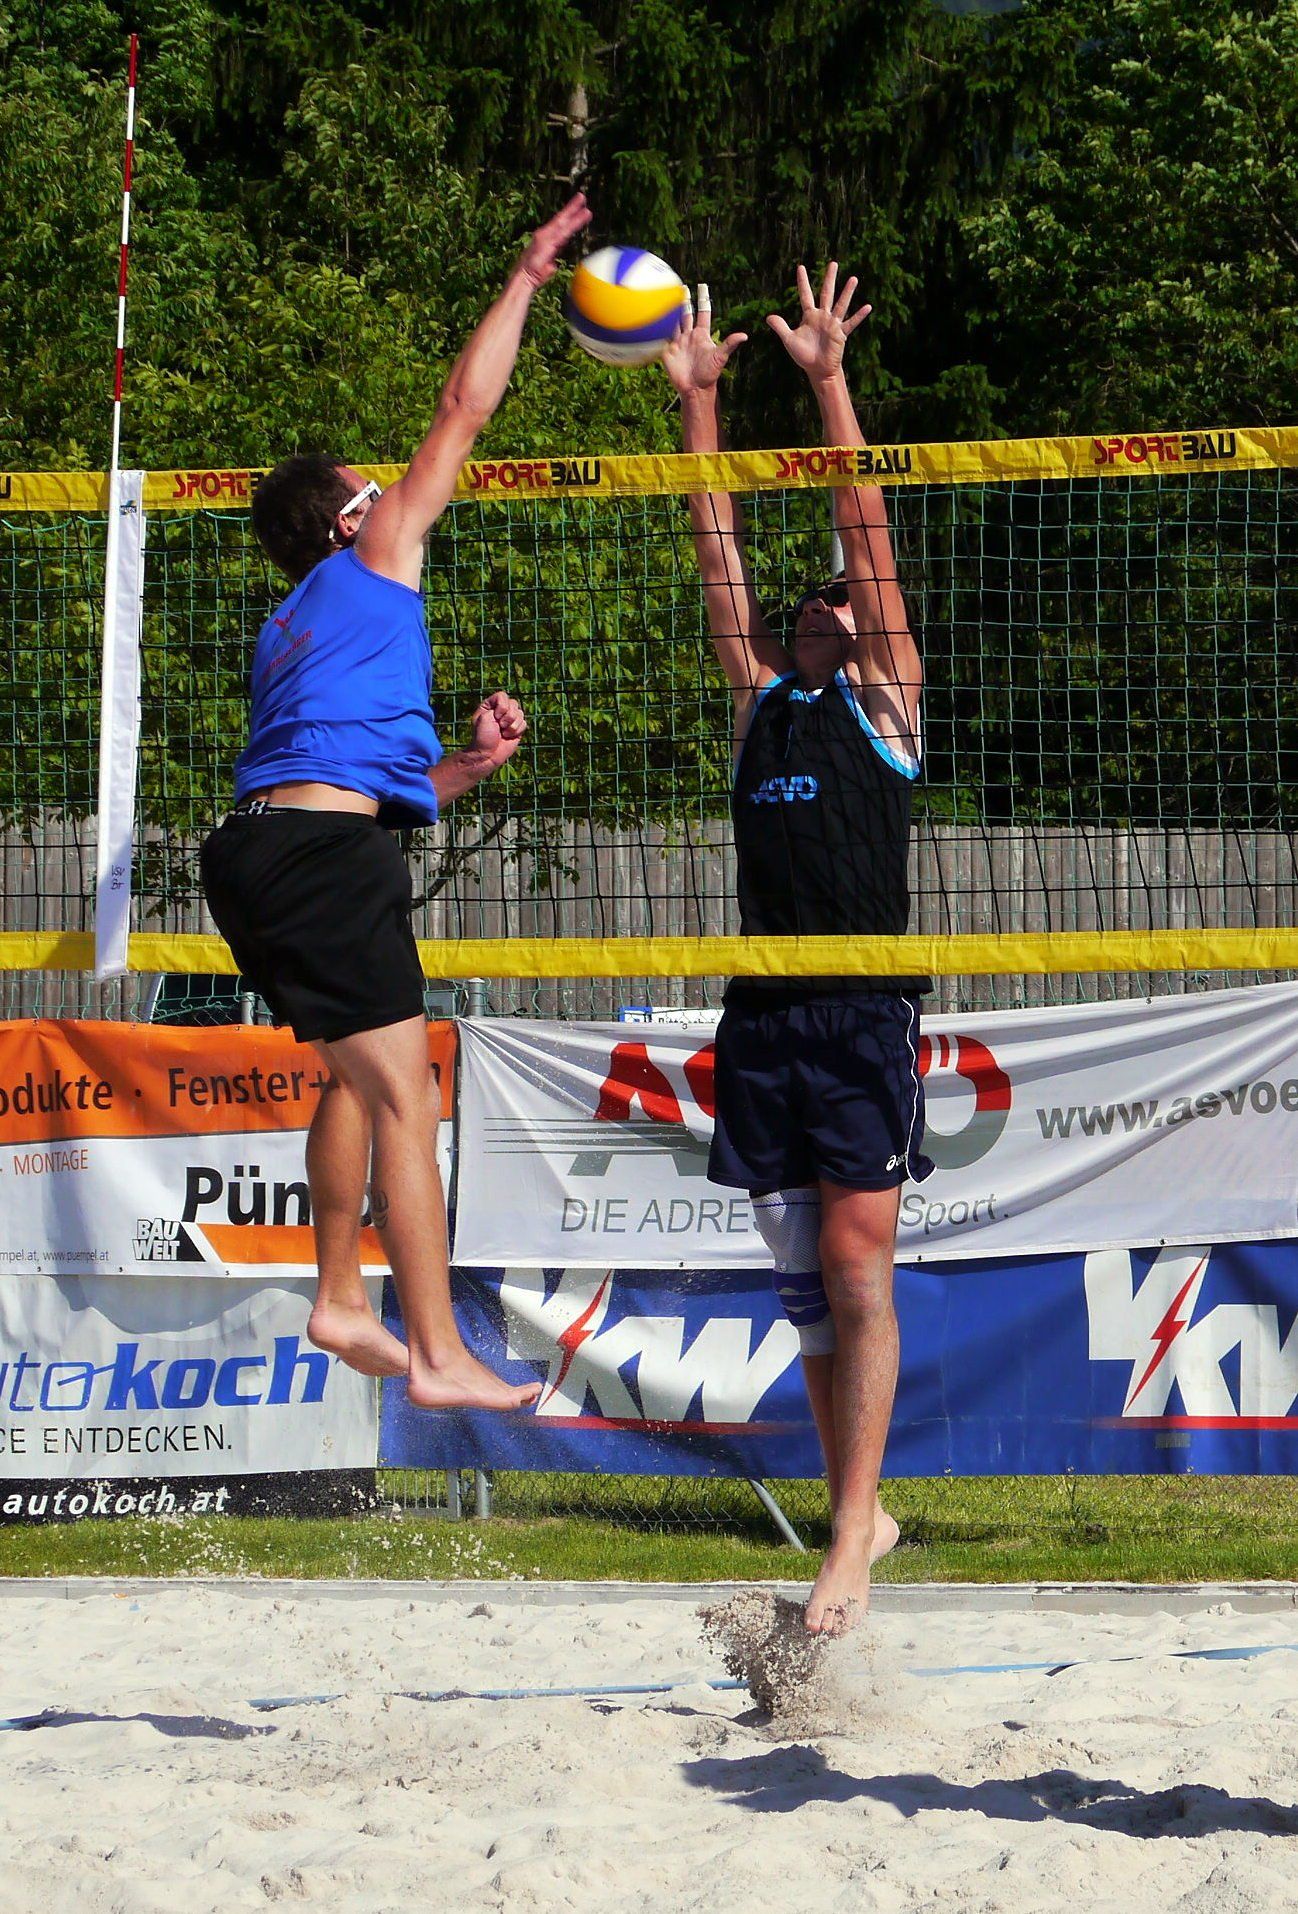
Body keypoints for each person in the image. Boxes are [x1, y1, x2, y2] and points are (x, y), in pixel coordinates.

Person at [201, 192, 592, 1412]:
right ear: (348, 516)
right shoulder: (372, 560)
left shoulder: (287, 627)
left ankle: (337, 1297)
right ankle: (434, 1352)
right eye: (374, 487)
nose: (395, 491)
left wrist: (465, 767)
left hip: (260, 853)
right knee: (406, 1096)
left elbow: (356, 784)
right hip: (316, 862)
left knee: (351, 1077)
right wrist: (526, 277)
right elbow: (463, 407)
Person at [663, 264, 934, 1633]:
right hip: (763, 1018)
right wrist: (699, 404)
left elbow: (864, 530)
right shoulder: (759, 701)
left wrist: (828, 381)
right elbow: (715, 548)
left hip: (859, 1013)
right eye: (813, 598)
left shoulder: (884, 705)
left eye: (844, 598)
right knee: (805, 1292)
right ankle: (857, 1511)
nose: (830, 601)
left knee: (856, 1262)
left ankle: (846, 1537)